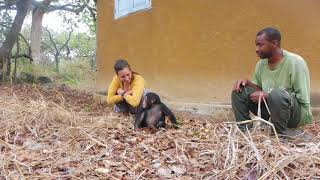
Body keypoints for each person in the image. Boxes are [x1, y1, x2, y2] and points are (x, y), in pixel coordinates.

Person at [231, 27, 313, 134]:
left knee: (277, 94)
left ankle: (283, 135)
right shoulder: (261, 64)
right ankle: (245, 132)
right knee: (240, 91)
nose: (257, 49)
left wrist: (269, 95)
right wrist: (249, 84)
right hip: (272, 112)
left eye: (261, 45)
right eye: (256, 45)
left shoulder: (296, 62)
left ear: (274, 43)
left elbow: (302, 99)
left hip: (296, 115)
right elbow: (260, 91)